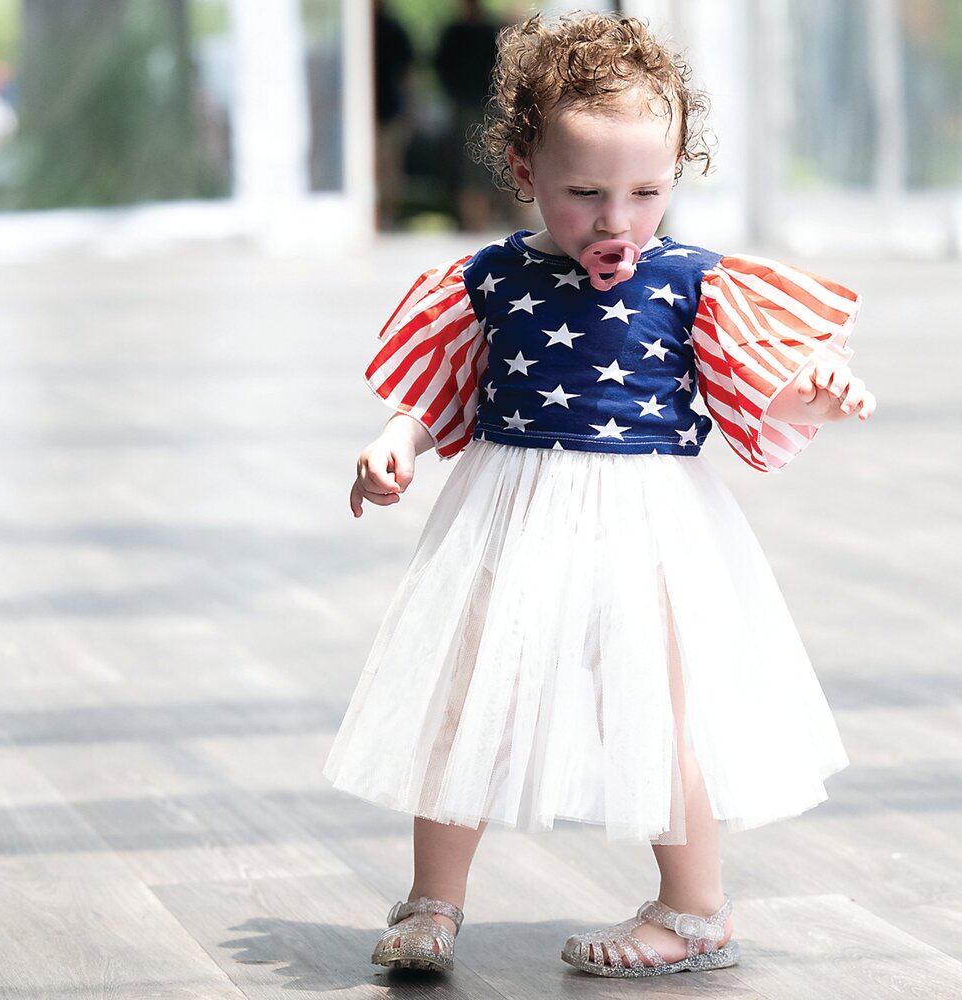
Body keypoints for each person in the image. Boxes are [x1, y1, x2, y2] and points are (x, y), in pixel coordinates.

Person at [324, 11, 878, 979]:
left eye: (646, 192)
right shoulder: (490, 277)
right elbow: (439, 385)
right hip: (510, 505)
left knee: (655, 709)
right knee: (468, 698)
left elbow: (754, 385)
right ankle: (432, 902)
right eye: (584, 192)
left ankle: (696, 909)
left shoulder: (691, 283)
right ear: (521, 164)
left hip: (644, 521)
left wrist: (816, 394)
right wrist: (395, 440)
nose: (616, 220)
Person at [434, 0, 504, 229]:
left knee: (485, 165)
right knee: (471, 166)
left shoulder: (489, 31)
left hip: (487, 105)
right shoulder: (459, 32)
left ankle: (479, 222)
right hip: (469, 105)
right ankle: (475, 223)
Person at [372, 1, 416, 229]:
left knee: (386, 167)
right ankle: (382, 217)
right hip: (381, 111)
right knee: (386, 168)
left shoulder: (390, 30)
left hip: (387, 111)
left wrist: (410, 111)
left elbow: (407, 75)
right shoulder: (390, 29)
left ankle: (384, 217)